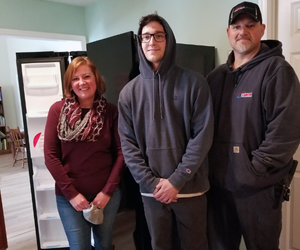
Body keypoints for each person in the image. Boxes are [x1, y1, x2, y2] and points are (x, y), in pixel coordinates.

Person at [206, 2, 300, 250]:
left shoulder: (278, 71)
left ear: (261, 30)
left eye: (250, 25)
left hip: (258, 191)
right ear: (228, 32)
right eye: (236, 26)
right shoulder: (215, 78)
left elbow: (285, 132)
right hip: (219, 187)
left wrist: (252, 170)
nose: (242, 31)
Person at [118, 13, 214, 250]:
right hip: (152, 193)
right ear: (140, 43)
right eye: (146, 37)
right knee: (160, 246)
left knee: (195, 246)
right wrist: (152, 184)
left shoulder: (195, 83)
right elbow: (128, 147)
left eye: (158, 36)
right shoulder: (129, 93)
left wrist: (177, 181)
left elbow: (202, 137)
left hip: (191, 189)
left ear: (168, 39)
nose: (152, 42)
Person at [44, 56, 125, 250]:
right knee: (79, 246)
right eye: (75, 78)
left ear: (96, 79)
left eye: (87, 76)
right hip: (69, 198)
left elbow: (122, 153)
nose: (82, 82)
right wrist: (72, 194)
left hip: (106, 197)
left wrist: (107, 191)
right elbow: (50, 156)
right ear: (69, 84)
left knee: (104, 245)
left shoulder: (111, 112)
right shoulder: (57, 111)